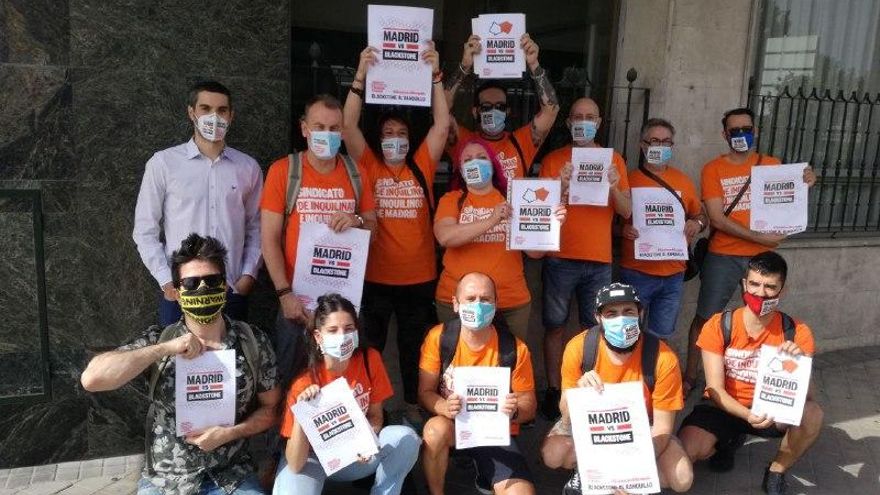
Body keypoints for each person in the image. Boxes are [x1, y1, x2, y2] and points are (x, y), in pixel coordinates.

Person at [81, 234, 279, 495]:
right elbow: (92, 379)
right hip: (167, 480)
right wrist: (165, 349)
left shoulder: (252, 342)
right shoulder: (159, 340)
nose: (202, 289)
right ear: (176, 293)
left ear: (224, 286)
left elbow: (271, 409)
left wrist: (230, 433)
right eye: (191, 283)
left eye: (212, 281)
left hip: (231, 476)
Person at [341, 42, 449, 421]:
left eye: (401, 132)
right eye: (388, 133)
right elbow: (347, 126)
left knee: (415, 349)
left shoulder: (421, 164)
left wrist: (436, 76)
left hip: (419, 279)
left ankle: (414, 408)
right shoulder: (369, 165)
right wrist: (360, 75)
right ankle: (369, 410)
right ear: (379, 137)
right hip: (375, 279)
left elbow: (442, 125)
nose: (395, 139)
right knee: (369, 348)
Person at [682, 107, 817, 394]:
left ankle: (750, 379)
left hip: (762, 259)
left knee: (761, 317)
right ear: (725, 135)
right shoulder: (712, 168)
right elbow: (717, 218)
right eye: (735, 130)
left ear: (755, 131)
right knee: (706, 317)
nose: (741, 134)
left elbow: (787, 204)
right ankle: (690, 376)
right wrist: (759, 237)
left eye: (747, 129)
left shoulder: (772, 165)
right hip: (723, 255)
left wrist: (805, 182)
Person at [679, 251, 823, 495]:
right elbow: (714, 388)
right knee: (687, 451)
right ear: (744, 284)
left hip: (770, 407)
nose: (760, 293)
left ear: (782, 290)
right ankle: (726, 442)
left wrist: (798, 363)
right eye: (754, 284)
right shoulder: (720, 325)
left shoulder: (797, 331)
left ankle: (777, 469)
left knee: (812, 414)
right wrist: (747, 415)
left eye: (770, 287)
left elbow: (808, 395)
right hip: (723, 406)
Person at [260, 94, 378, 386]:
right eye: (319, 127)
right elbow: (269, 238)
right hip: (296, 303)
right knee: (291, 383)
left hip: (343, 306)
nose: (327, 134)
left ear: (342, 132)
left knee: (344, 382)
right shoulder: (283, 172)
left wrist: (357, 220)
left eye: (334, 128)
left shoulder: (357, 173)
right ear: (304, 129)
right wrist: (284, 294)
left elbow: (373, 228)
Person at [541, 283, 693, 494]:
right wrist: (577, 395)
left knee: (681, 478)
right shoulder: (579, 347)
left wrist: (629, 470)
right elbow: (566, 416)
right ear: (598, 318)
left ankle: (629, 481)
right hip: (592, 426)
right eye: (611, 313)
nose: (620, 319)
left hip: (642, 427)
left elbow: (662, 427)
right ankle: (587, 474)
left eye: (628, 311)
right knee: (553, 454)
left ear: (640, 314)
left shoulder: (663, 357)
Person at [133, 81, 263, 327]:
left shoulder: (248, 168)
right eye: (206, 109)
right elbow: (144, 229)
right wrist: (166, 281)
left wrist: (247, 276)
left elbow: (257, 228)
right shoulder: (163, 164)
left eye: (222, 110)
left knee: (234, 353)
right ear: (191, 112)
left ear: (231, 115)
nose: (214, 117)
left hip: (230, 292)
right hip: (181, 293)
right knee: (179, 352)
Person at [537, 97, 632, 419]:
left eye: (590, 117)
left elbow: (626, 211)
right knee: (554, 326)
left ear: (599, 122)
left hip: (600, 259)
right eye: (577, 116)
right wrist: (560, 185)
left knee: (595, 328)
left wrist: (613, 187)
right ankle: (555, 390)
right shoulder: (554, 159)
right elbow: (538, 209)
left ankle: (591, 389)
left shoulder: (614, 160)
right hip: (559, 256)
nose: (583, 122)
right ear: (568, 123)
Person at [273, 293, 421, 494]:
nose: (342, 336)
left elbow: (376, 416)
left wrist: (364, 443)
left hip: (355, 457)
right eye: (333, 330)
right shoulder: (304, 382)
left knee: (406, 438)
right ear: (318, 336)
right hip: (313, 460)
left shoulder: (370, 359)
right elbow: (295, 464)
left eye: (349, 329)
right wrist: (302, 414)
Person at [434, 138, 565, 340]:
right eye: (467, 160)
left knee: (510, 358)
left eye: (481, 157)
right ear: (460, 170)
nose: (475, 162)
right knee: (455, 359)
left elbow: (534, 253)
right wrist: (492, 219)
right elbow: (445, 236)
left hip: (510, 301)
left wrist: (552, 226)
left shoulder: (514, 199)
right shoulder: (452, 199)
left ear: (493, 165)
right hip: (458, 301)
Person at [419, 272, 537, 495]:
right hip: (452, 427)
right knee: (434, 431)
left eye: (485, 299)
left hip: (493, 434)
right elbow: (425, 392)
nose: (478, 305)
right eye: (470, 299)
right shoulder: (440, 337)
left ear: (496, 304)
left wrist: (515, 410)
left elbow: (529, 406)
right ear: (456, 304)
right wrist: (443, 406)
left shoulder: (515, 348)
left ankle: (485, 472)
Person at [619, 118, 707, 338]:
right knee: (628, 335)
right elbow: (609, 223)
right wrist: (621, 231)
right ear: (643, 145)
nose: (660, 146)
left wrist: (696, 224)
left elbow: (702, 217)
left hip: (673, 275)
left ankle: (656, 363)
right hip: (636, 272)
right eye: (655, 141)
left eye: (666, 142)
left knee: (661, 336)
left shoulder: (684, 181)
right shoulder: (629, 180)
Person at [444, 33, 559, 179]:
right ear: (475, 111)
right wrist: (465, 66)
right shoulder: (463, 141)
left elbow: (551, 110)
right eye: (486, 106)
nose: (494, 111)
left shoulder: (521, 142)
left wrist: (534, 65)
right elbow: (441, 110)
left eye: (500, 107)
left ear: (507, 111)